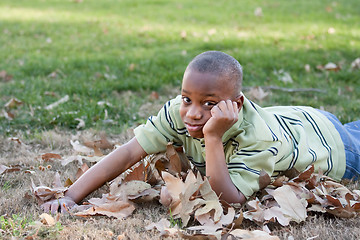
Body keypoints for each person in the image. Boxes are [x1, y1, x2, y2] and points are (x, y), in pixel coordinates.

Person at [42, 51, 360, 213]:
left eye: (209, 103)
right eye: (187, 99)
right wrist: (70, 197)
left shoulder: (257, 137)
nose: (193, 112)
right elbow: (127, 152)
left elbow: (230, 198)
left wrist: (212, 137)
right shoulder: (178, 112)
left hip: (335, 147)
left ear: (236, 104)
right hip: (299, 120)